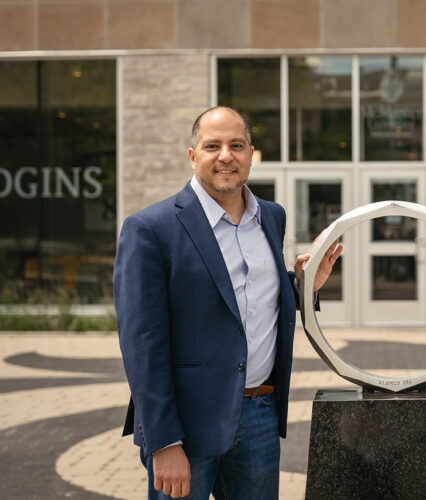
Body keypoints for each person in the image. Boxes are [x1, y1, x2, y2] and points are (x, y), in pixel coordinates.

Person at [113, 106, 342, 499]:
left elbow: (246, 298)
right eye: (212, 145)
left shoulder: (271, 217)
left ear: (251, 154)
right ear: (193, 156)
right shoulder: (150, 228)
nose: (225, 156)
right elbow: (142, 344)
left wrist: (303, 287)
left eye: (237, 145)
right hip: (187, 423)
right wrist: (164, 442)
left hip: (259, 415)